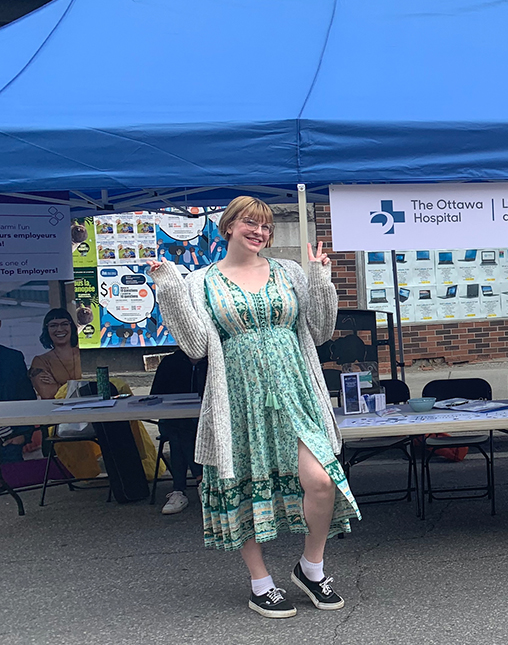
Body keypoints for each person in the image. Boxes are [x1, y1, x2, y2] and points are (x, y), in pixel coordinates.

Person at [148, 196, 360, 619]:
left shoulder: (290, 273)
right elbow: (193, 346)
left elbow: (319, 331)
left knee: (321, 480)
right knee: (242, 485)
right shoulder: (200, 281)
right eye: (250, 222)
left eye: (265, 226)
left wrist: (320, 279)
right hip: (237, 398)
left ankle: (310, 568)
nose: (259, 232)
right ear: (228, 226)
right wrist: (169, 290)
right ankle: (260, 582)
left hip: (295, 390)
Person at [29, 308, 102, 479]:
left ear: (72, 326)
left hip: (97, 413)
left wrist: (61, 385)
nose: (59, 329)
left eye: (64, 324)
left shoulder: (86, 354)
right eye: (53, 325)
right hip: (62, 420)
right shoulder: (40, 361)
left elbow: (104, 385)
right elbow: (49, 394)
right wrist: (78, 388)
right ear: (46, 330)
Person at [149, 349, 207, 515]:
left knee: (180, 435)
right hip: (174, 420)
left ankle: (179, 491)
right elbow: (155, 396)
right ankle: (201, 479)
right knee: (180, 430)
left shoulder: (213, 360)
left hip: (206, 422)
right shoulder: (170, 362)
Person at [0, 319, 41, 463]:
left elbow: (26, 397)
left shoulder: (13, 358)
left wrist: (23, 435)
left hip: (8, 442)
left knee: (15, 484)